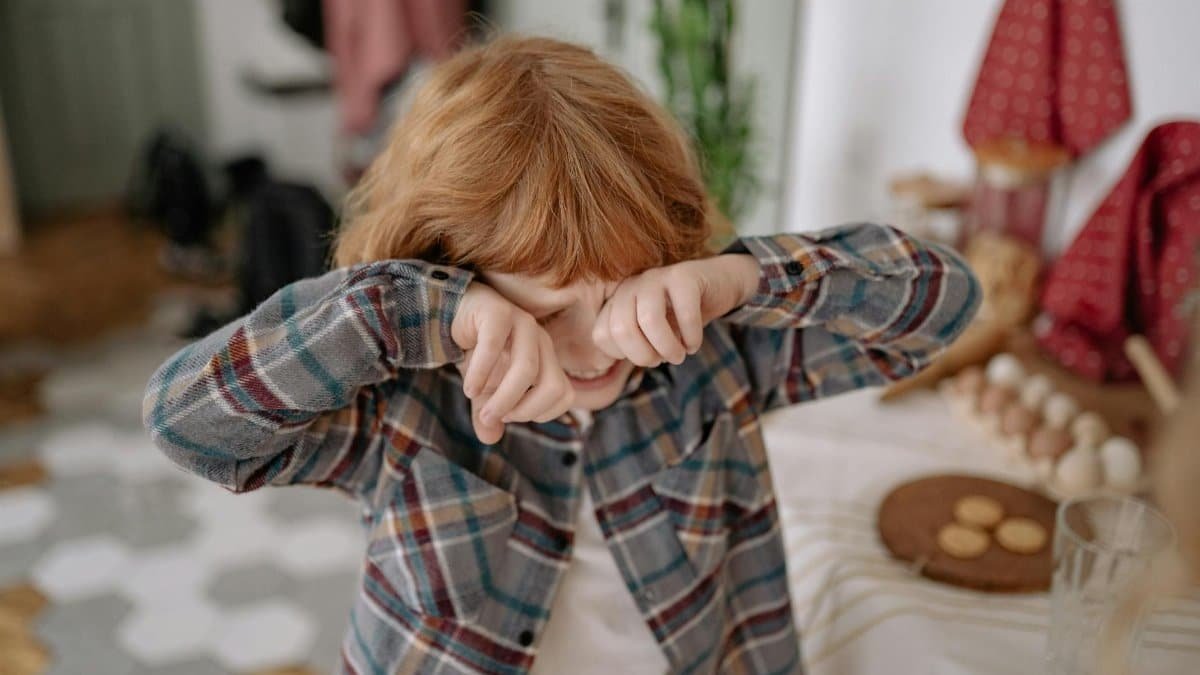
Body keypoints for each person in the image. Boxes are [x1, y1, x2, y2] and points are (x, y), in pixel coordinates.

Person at [143, 36, 980, 675]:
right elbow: (187, 424)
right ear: (450, 273)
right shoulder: (399, 400)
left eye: (621, 292)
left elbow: (942, 310)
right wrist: (407, 312)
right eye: (544, 312)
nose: (593, 344)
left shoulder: (714, 356)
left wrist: (742, 276)